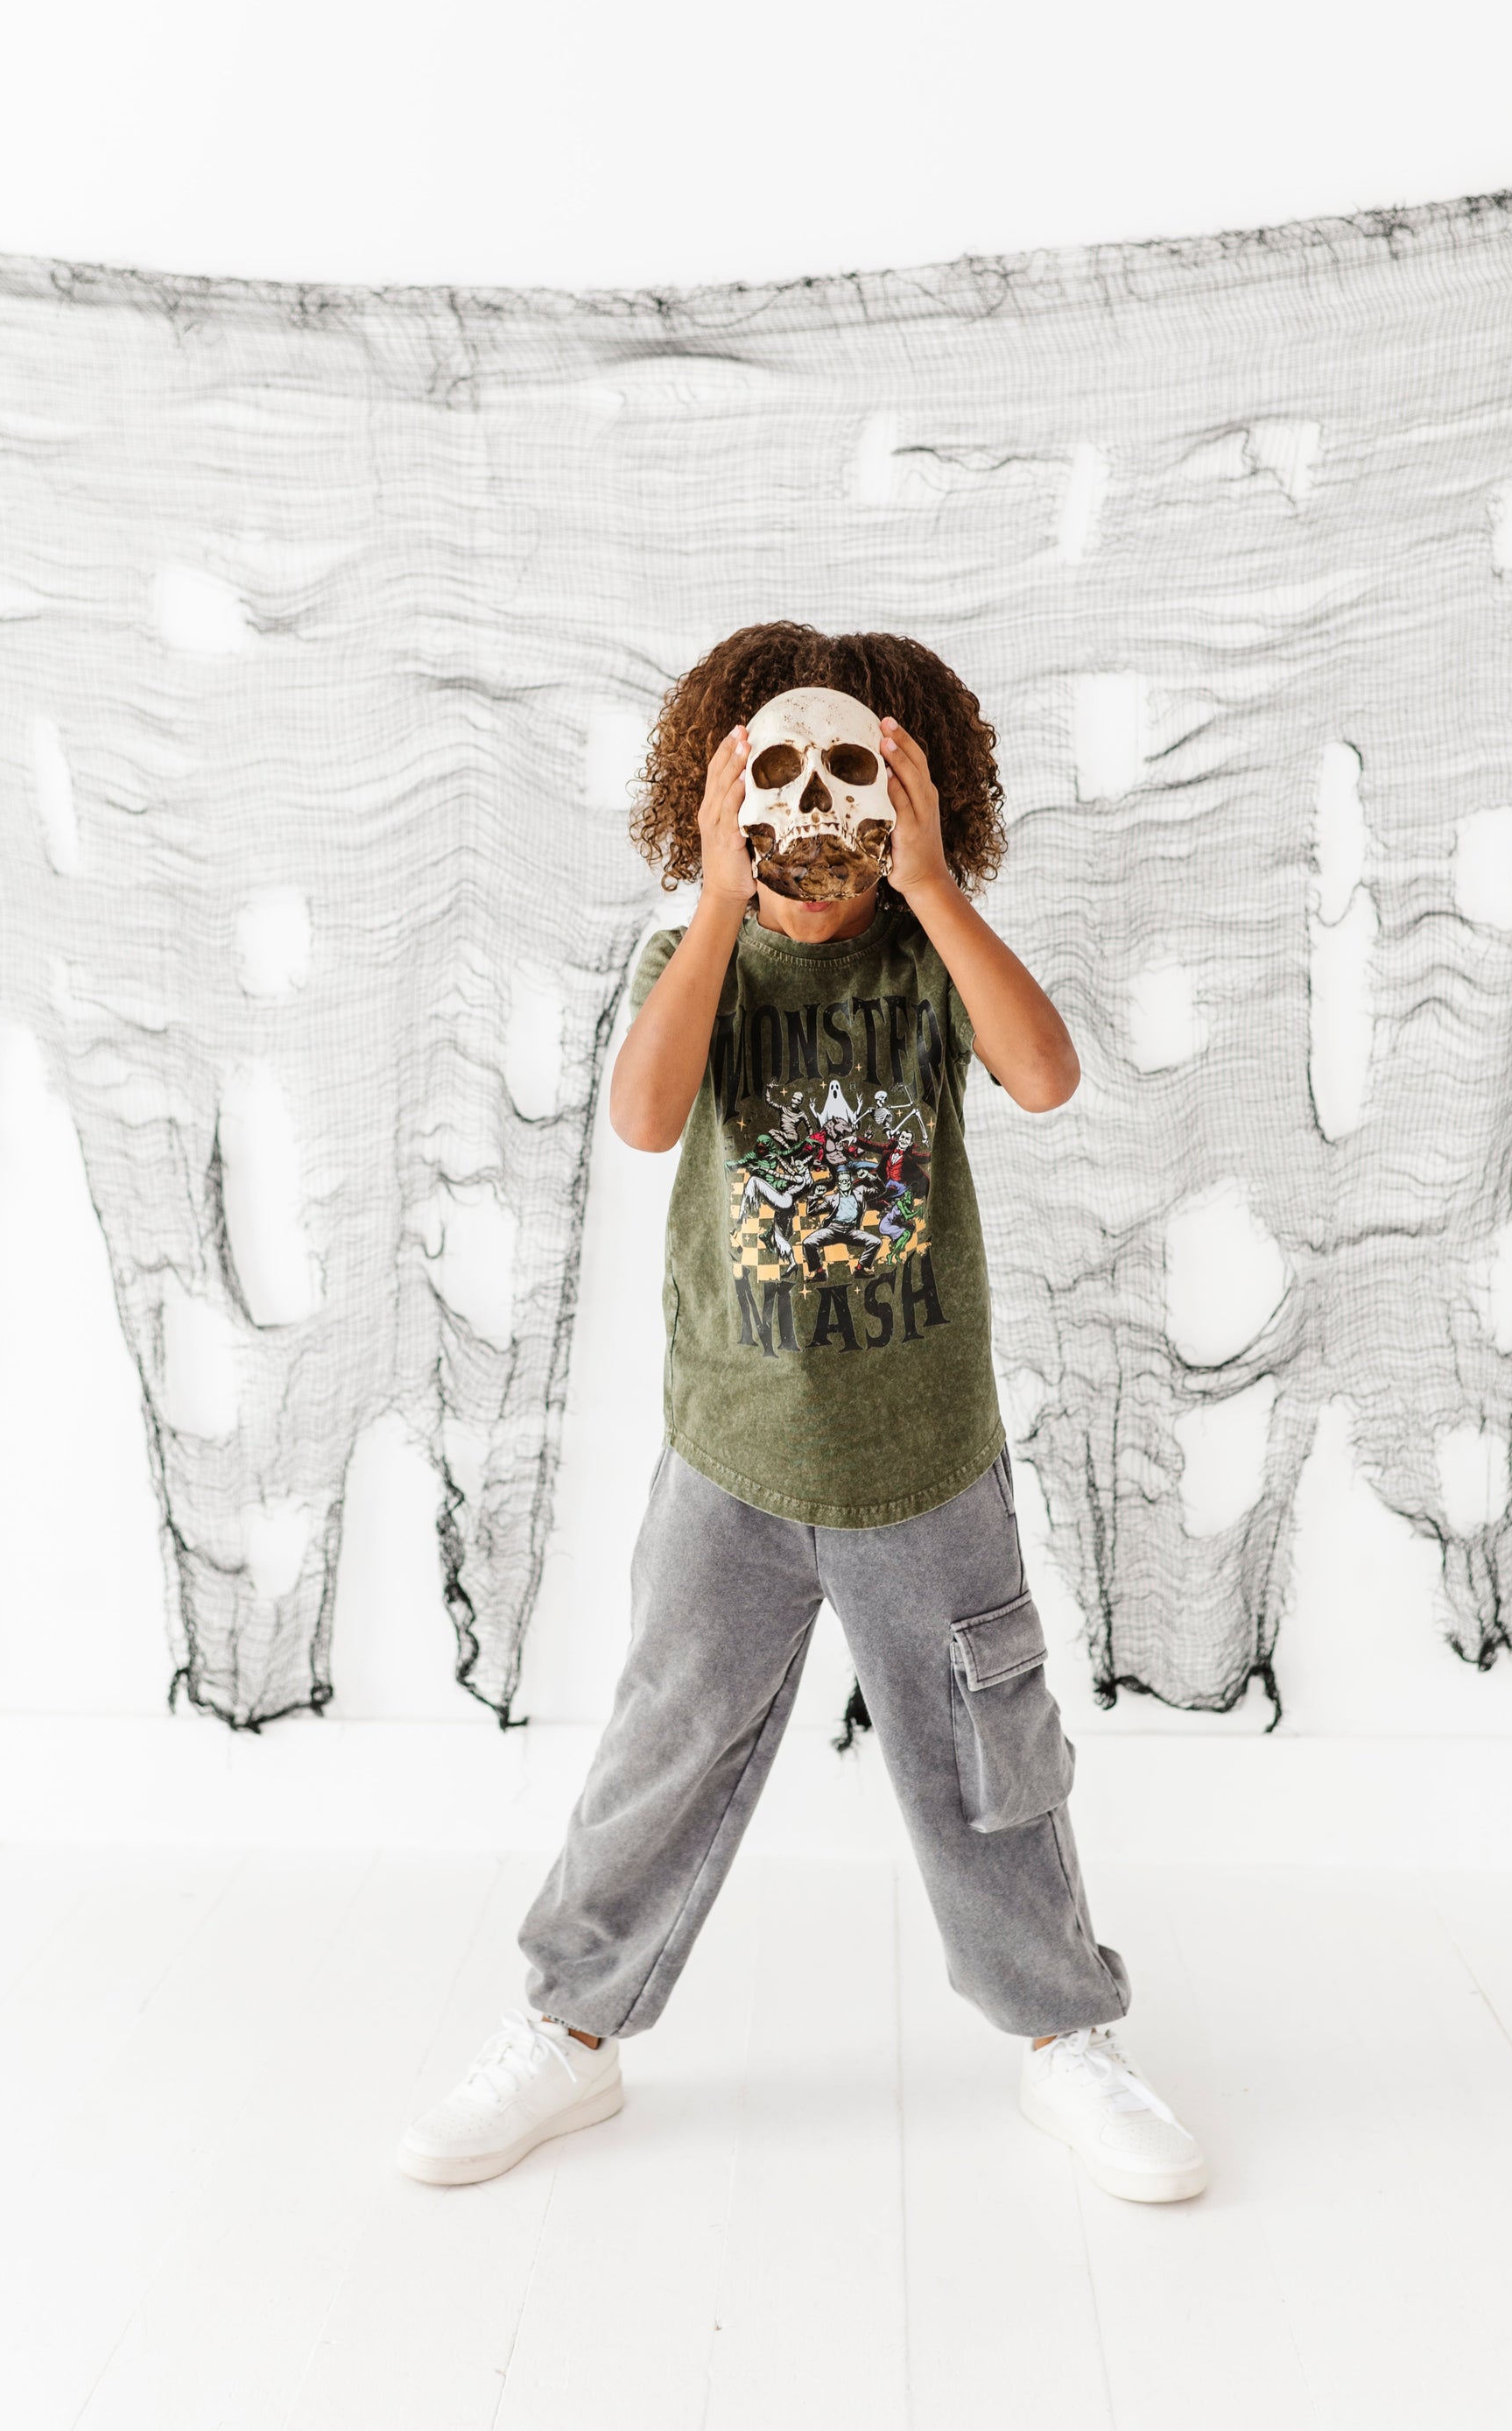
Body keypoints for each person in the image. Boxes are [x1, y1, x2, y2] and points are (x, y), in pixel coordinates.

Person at [397, 622, 1207, 2206]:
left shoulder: (923, 954)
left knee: (988, 1757)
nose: (817, 815)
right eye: (779, 776)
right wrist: (714, 901)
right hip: (736, 1455)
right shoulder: (693, 960)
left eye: (858, 776)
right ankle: (571, 2025)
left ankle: (1063, 2033)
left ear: (917, 795)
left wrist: (934, 888)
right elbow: (643, 1119)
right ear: (720, 799)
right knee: (662, 1744)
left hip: (923, 1459)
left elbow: (1045, 1075)